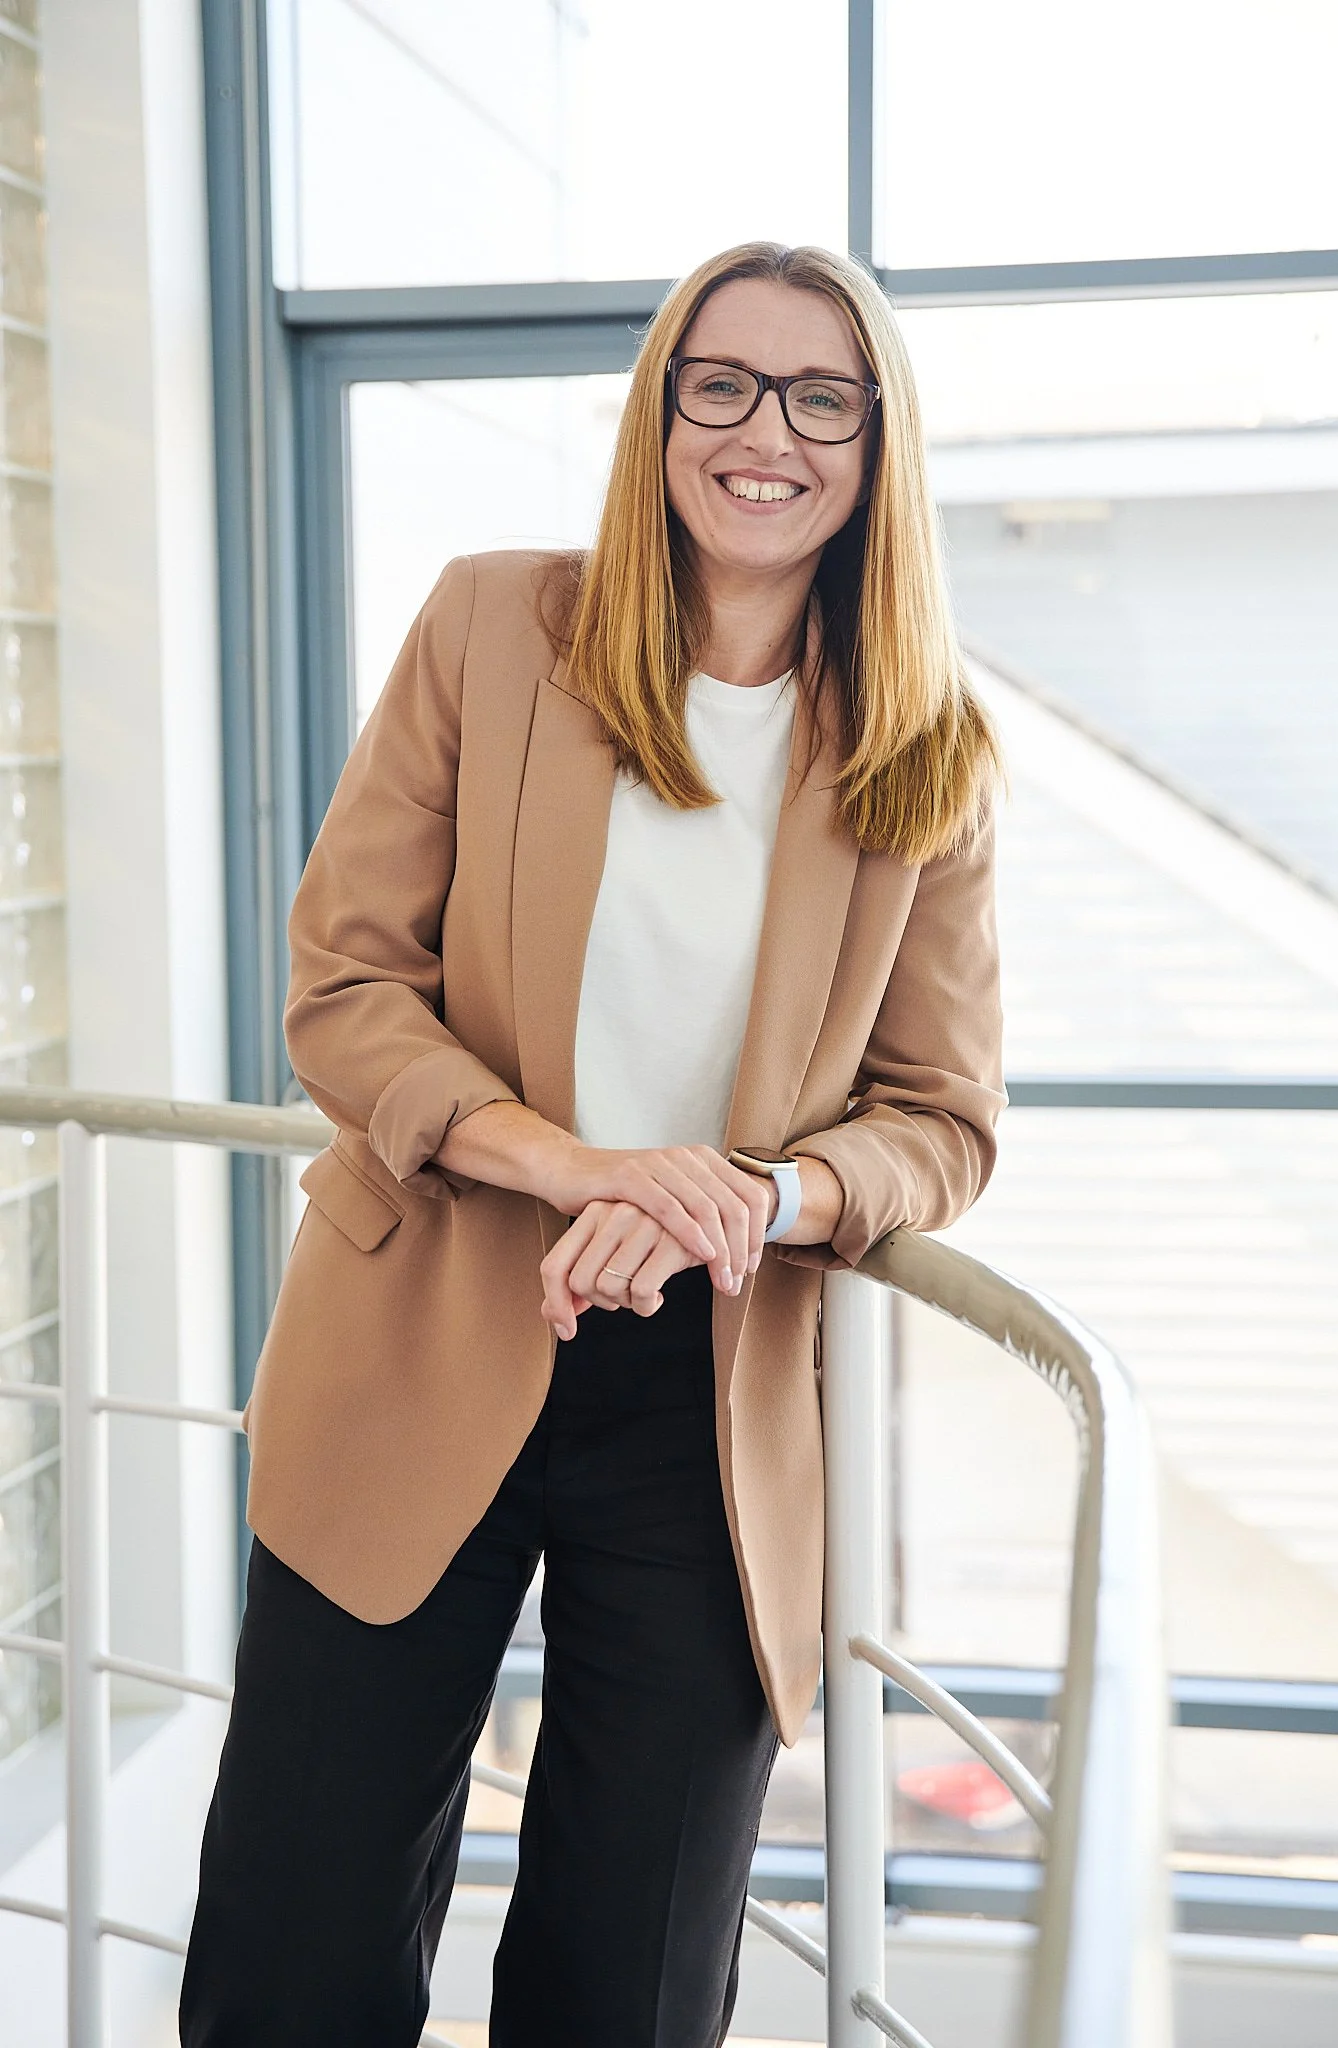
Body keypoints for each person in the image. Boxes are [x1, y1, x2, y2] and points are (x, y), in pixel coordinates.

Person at [180, 240, 1005, 2048]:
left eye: (818, 397)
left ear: (877, 448)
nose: (760, 432)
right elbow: (343, 988)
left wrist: (752, 1197)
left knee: (624, 1984)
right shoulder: (495, 625)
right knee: (291, 1949)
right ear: (658, 413)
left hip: (705, 1397)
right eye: (717, 383)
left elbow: (939, 1121)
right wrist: (579, 1170)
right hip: (422, 1335)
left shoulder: (927, 746)